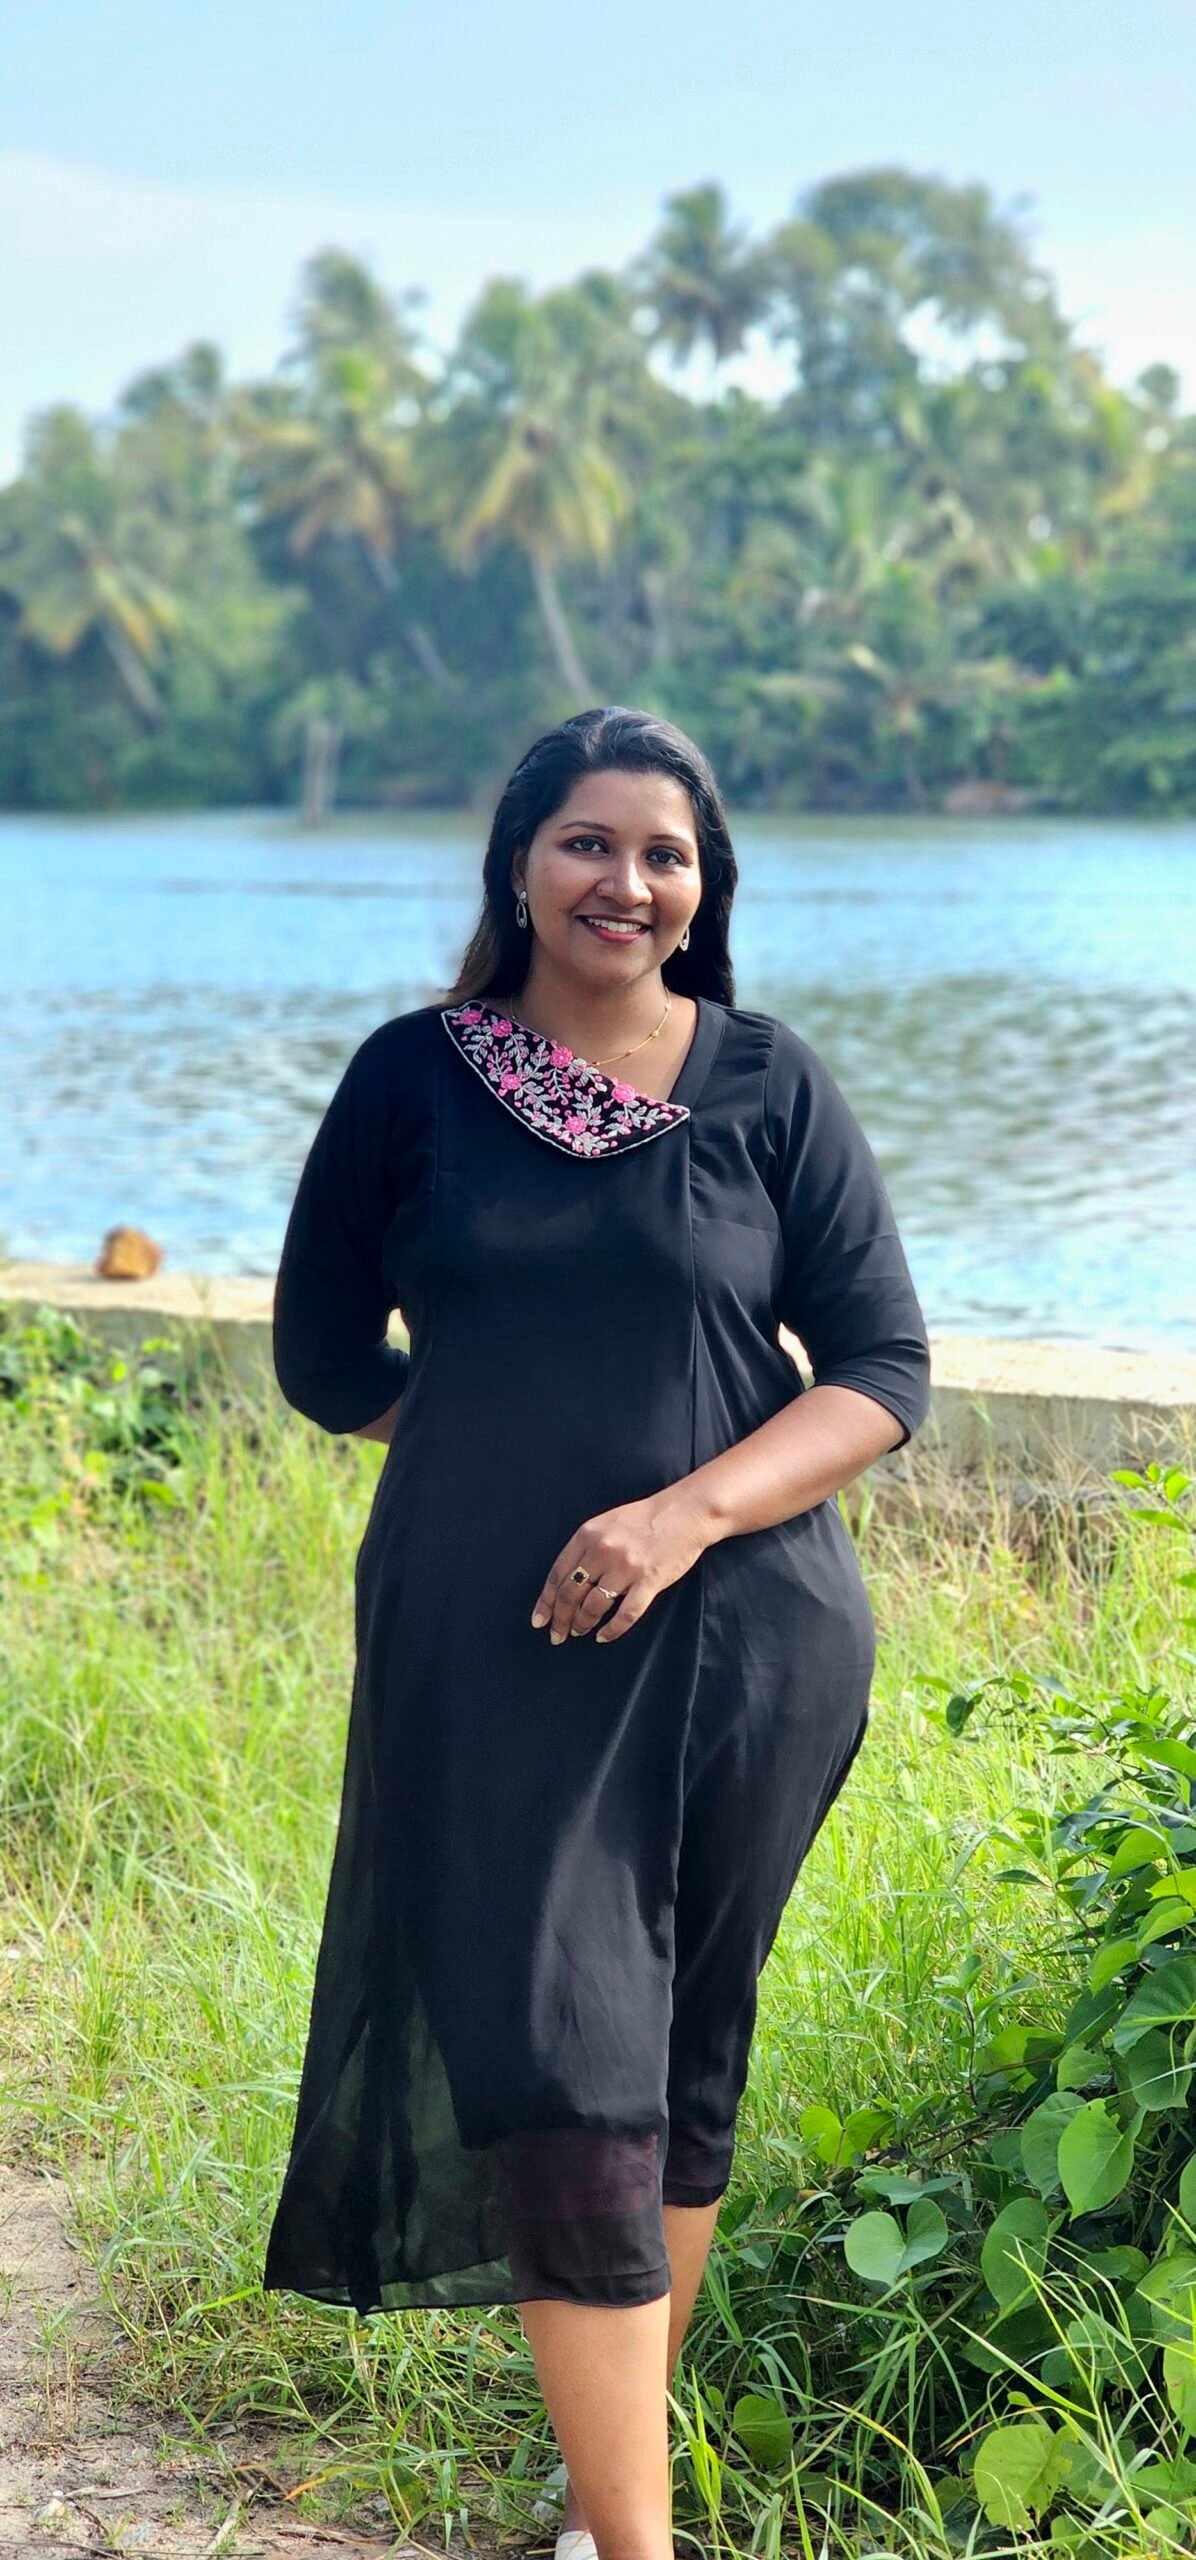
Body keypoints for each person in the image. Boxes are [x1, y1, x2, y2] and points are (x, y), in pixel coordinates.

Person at [263, 705, 931, 2560]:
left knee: (681, 2064)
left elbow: (884, 1370)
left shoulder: (768, 1084)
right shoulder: (410, 1081)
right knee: (557, 2068)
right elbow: (322, 1359)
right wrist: (494, 1446)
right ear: (517, 862)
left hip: (752, 1646)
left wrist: (677, 1511)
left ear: (705, 887)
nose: (624, 882)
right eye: (587, 842)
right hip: (493, 1650)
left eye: (664, 854)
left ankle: (594, 2512)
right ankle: (639, 2550)